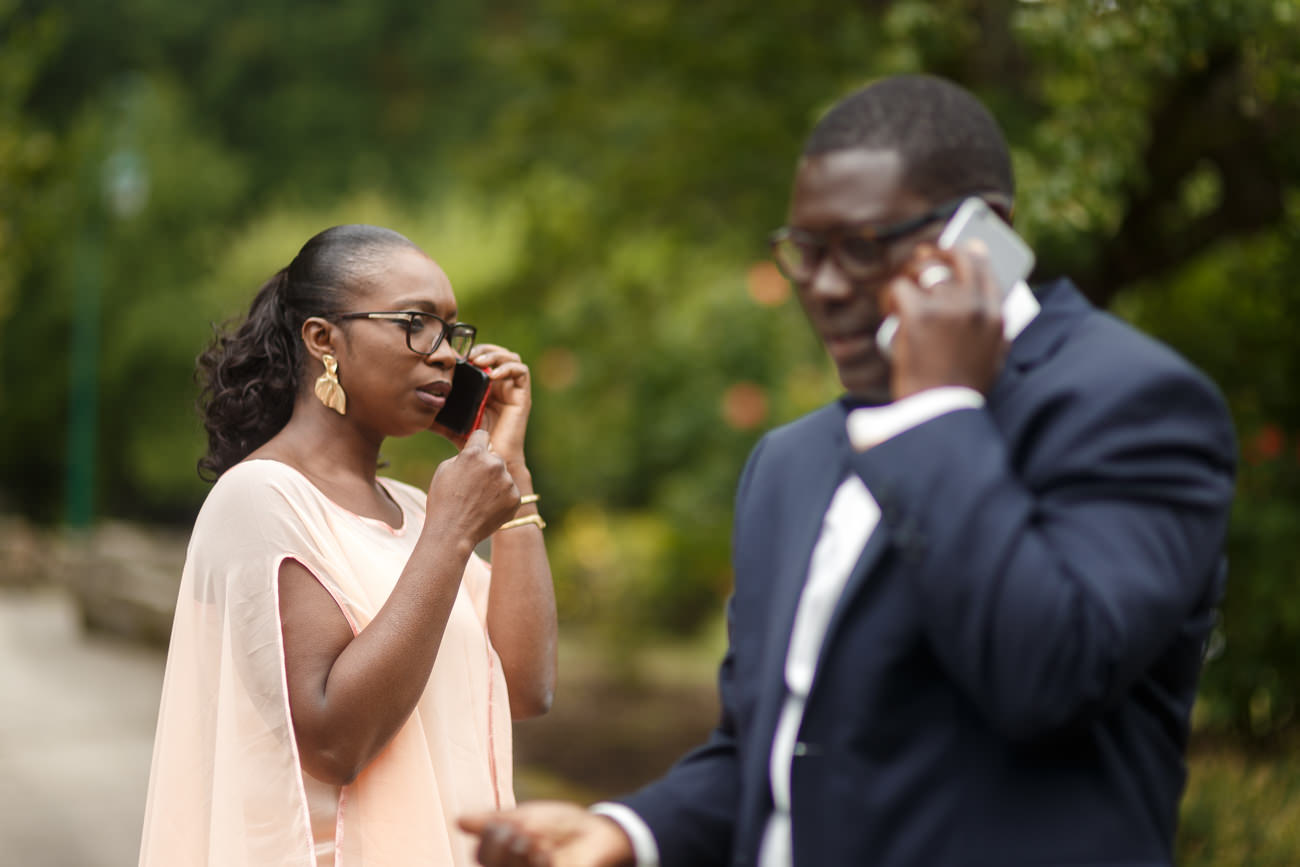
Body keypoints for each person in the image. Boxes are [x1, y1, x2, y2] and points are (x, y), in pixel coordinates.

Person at [459, 75, 1237, 866]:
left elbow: (1048, 677)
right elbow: (776, 744)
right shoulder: (790, 461)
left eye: (862, 246)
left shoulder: (1132, 404)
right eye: (806, 251)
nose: (824, 288)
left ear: (984, 238)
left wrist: (937, 413)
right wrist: (631, 828)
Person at [139, 224, 558, 866]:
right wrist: (451, 534)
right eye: (415, 323)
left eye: (451, 331)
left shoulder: (419, 515)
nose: (446, 353)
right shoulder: (262, 499)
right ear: (323, 339)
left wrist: (511, 473)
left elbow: (526, 688)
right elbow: (335, 743)